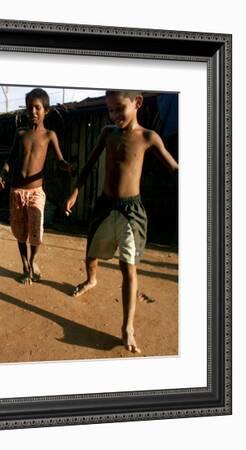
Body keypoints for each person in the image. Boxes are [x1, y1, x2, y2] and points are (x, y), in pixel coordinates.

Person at [64, 90, 178, 353]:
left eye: (119, 109)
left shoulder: (148, 137)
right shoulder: (107, 133)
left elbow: (173, 167)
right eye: (110, 110)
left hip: (131, 211)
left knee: (128, 267)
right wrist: (75, 190)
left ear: (137, 103)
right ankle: (91, 279)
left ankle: (127, 326)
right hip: (105, 205)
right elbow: (90, 163)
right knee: (91, 252)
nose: (114, 115)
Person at [0, 88, 75, 284]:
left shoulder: (49, 135)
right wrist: (3, 172)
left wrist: (66, 166)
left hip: (36, 192)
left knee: (36, 230)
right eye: (29, 108)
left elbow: (59, 160)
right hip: (16, 190)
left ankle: (33, 260)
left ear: (45, 111)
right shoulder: (21, 133)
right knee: (20, 231)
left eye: (37, 108)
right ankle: (25, 266)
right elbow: (11, 157)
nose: (33, 111)